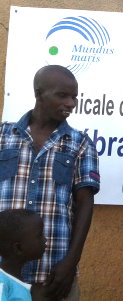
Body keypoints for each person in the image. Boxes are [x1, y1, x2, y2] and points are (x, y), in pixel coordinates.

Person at [0, 65, 100, 300]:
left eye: (74, 97)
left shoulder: (80, 144)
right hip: (3, 274)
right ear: (39, 94)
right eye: (62, 95)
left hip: (54, 273)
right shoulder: (4, 136)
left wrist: (70, 263)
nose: (71, 103)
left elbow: (85, 205)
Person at [0, 209, 47, 301]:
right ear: (19, 248)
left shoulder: (13, 282)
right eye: (40, 235)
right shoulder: (2, 284)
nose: (45, 239)